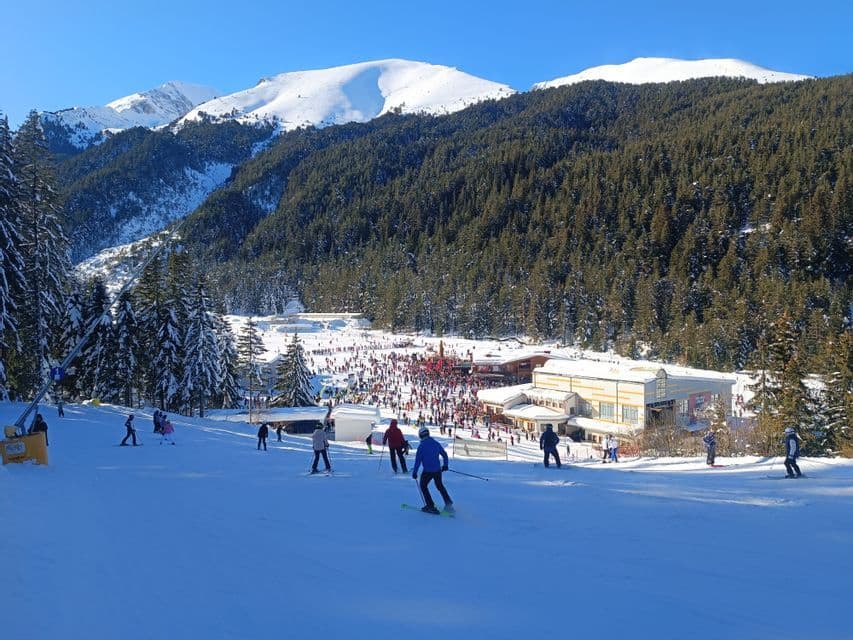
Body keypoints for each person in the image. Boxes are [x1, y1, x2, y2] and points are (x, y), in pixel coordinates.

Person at [412, 426, 453, 514]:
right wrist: (445, 465)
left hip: (428, 471)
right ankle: (448, 504)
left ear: (421, 435)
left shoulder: (421, 446)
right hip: (437, 470)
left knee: (423, 486)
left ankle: (430, 505)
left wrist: (415, 472)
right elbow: (444, 454)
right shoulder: (435, 443)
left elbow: (418, 462)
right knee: (439, 486)